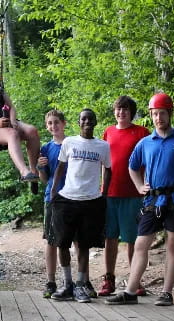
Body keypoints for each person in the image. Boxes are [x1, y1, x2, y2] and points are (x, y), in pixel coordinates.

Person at [104, 93, 174, 306]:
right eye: (155, 114)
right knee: (140, 243)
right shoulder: (145, 143)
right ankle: (130, 291)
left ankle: (166, 293)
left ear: (169, 114)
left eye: (162, 113)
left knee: (172, 244)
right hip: (152, 200)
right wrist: (138, 186)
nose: (158, 118)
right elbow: (132, 166)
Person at [50, 108, 111, 303]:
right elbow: (61, 166)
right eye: (83, 119)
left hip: (91, 201)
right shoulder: (69, 142)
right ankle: (67, 284)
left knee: (84, 245)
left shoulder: (103, 146)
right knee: (62, 243)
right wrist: (53, 190)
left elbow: (108, 169)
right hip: (67, 198)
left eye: (90, 118)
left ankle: (79, 286)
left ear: (95, 122)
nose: (87, 121)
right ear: (78, 122)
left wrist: (104, 192)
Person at [37, 110, 97, 299]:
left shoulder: (75, 144)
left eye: (56, 122)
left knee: (80, 241)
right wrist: (39, 167)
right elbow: (45, 178)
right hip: (53, 199)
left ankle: (84, 281)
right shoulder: (46, 149)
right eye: (49, 123)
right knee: (52, 240)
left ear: (64, 123)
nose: (53, 126)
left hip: (75, 198)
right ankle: (51, 281)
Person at [98, 96, 150, 297]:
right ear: (114, 112)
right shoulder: (108, 132)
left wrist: (146, 188)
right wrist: (102, 189)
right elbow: (104, 163)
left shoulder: (141, 133)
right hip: (110, 193)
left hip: (134, 194)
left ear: (132, 112)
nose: (121, 113)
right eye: (118, 109)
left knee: (133, 240)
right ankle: (108, 279)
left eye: (125, 109)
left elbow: (147, 161)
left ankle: (134, 280)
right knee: (110, 238)